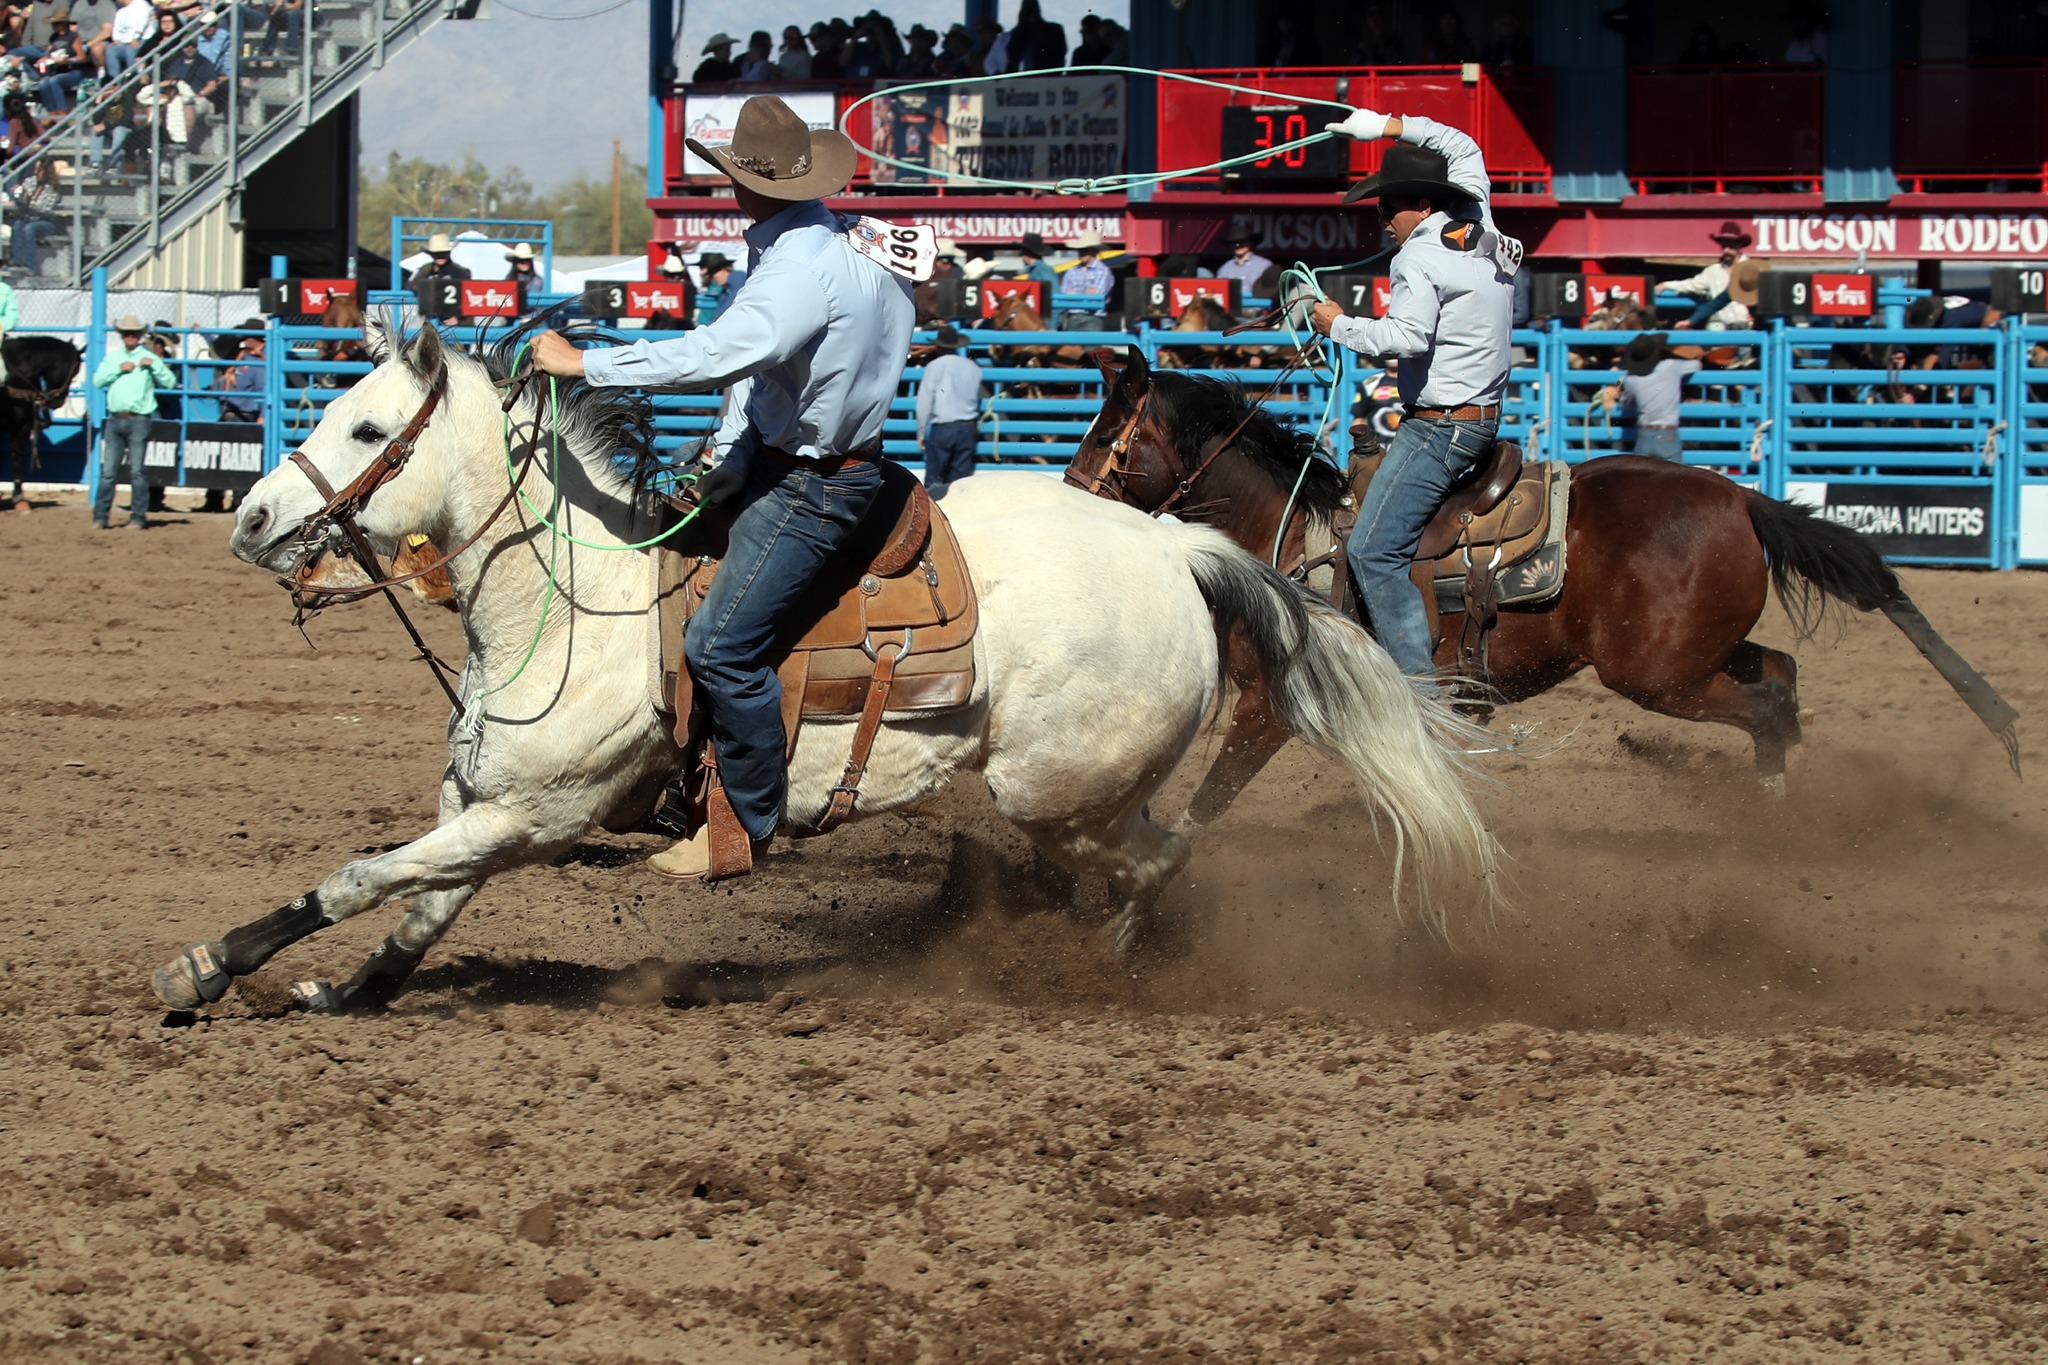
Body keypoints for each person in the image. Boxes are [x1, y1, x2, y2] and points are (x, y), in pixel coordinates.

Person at [528, 94, 917, 881]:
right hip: (808, 460)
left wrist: (584, 365)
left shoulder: (797, 269)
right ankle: (675, 774)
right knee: (668, 573)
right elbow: (763, 371)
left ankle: (748, 820)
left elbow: (720, 353)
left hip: (814, 483)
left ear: (743, 184)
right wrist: (735, 452)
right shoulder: (846, 245)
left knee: (720, 644)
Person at [1308, 104, 1520, 685]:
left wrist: (1335, 324)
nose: (1382, 219)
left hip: (1440, 429)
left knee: (1374, 551)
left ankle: (1416, 694)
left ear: (1422, 206)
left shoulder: (1417, 257)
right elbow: (1464, 145)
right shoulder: (1480, 224)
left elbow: (1405, 337)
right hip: (1479, 421)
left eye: (1387, 206)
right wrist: (1384, 127)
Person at [91, 313, 173, 529]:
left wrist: (154, 367)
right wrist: (118, 370)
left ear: (139, 335)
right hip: (116, 418)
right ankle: (101, 517)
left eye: (134, 333)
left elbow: (170, 382)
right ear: (122, 336)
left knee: (136, 470)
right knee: (109, 472)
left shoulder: (149, 358)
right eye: (127, 333)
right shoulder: (114, 358)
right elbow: (97, 380)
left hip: (138, 419)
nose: (130, 337)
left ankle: (137, 517)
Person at [1599, 333, 1698, 461]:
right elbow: (1696, 364)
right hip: (1667, 433)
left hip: (1644, 435)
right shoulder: (1670, 366)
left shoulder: (1631, 379)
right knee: (1675, 478)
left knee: (1642, 478)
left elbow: (1626, 404)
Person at [916, 324, 981, 498]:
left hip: (943, 427)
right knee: (961, 483)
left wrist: (921, 432)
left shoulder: (935, 366)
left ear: (939, 346)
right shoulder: (973, 367)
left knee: (934, 482)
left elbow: (924, 401)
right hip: (968, 427)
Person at [1663, 222, 1753, 330]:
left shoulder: (1751, 269)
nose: (1726, 250)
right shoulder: (1713, 271)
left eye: (1730, 246)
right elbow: (1693, 284)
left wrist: (1755, 314)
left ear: (1739, 245)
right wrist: (1667, 285)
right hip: (1720, 325)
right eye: (1724, 246)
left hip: (1744, 324)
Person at [1057, 231, 1114, 330]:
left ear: (1093, 251)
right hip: (1073, 318)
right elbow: (1064, 295)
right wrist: (1085, 293)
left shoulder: (1103, 271)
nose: (1081, 252)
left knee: (1091, 346)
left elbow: (1096, 297)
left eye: (1084, 249)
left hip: (1092, 319)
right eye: (1080, 249)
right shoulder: (1072, 271)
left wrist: (1074, 294)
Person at [218, 325, 264, 422]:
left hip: (244, 414)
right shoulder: (240, 356)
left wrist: (263, 417)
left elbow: (263, 389)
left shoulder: (259, 362)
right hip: (227, 409)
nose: (246, 339)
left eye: (249, 336)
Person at [1214, 223, 1273, 293]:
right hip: (1233, 303)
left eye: (1242, 241)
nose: (1238, 245)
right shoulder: (1224, 269)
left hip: (1257, 303)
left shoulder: (1265, 265)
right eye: (1235, 242)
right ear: (1230, 245)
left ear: (1250, 243)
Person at [692, 250, 743, 325]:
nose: (712, 278)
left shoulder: (738, 277)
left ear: (722, 270)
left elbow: (729, 306)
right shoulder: (725, 289)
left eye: (712, 274)